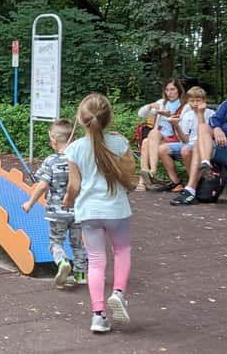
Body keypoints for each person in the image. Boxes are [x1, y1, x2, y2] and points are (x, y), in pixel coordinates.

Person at [62, 93, 137, 333]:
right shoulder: (120, 143)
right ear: (109, 118)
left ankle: (98, 315)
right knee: (122, 251)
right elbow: (130, 176)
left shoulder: (74, 149)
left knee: (95, 261)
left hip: (89, 212)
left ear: (81, 119)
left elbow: (73, 186)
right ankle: (118, 293)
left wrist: (67, 200)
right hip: (116, 209)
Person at [22, 119, 87, 288]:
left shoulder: (51, 161)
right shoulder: (79, 160)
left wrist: (30, 203)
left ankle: (62, 262)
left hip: (57, 212)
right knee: (78, 243)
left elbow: (42, 185)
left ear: (53, 140)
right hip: (78, 212)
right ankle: (81, 275)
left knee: (55, 242)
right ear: (71, 140)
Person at [170, 97, 227, 206]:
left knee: (197, 145)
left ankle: (190, 190)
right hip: (216, 141)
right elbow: (214, 120)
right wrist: (217, 128)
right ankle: (205, 162)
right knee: (203, 127)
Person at [155, 86, 215, 192]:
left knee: (185, 150)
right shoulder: (187, 115)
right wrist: (176, 125)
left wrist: (200, 114)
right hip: (190, 143)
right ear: (188, 102)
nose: (195, 104)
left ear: (204, 101)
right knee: (162, 149)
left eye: (198, 100)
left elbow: (206, 133)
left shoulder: (211, 114)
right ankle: (176, 182)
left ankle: (193, 183)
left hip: (205, 145)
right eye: (192, 101)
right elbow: (185, 140)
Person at [136, 79, 185, 190]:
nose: (169, 93)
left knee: (152, 135)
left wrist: (169, 115)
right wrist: (149, 106)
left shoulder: (184, 105)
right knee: (147, 140)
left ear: (179, 90)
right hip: (159, 138)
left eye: (172, 89)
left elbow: (184, 122)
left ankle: (148, 175)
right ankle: (145, 178)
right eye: (167, 90)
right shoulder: (162, 103)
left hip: (176, 137)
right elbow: (141, 114)